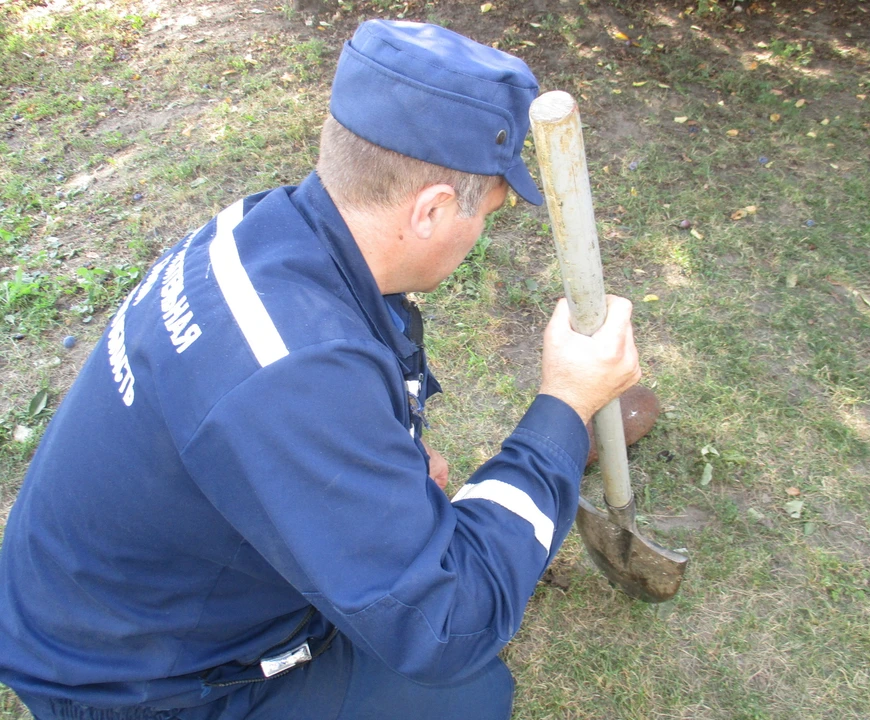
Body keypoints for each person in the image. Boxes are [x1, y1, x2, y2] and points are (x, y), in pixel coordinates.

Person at [0, 20, 641, 720]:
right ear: (429, 210)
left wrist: (379, 454)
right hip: (130, 685)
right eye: (486, 212)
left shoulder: (266, 231)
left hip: (107, 604)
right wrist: (564, 409)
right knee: (462, 694)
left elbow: (289, 421)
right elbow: (449, 622)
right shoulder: (290, 378)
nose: (482, 230)